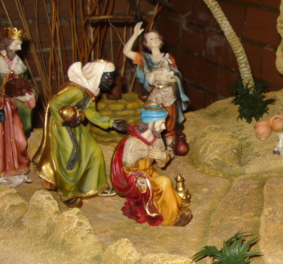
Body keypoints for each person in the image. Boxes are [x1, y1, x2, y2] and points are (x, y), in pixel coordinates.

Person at [33, 60, 128, 207]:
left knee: (94, 152)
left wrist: (112, 123)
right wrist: (66, 119)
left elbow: (91, 112)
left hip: (74, 125)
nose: (112, 81)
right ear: (97, 75)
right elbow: (54, 104)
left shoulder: (90, 91)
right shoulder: (76, 91)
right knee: (70, 157)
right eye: (108, 77)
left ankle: (95, 187)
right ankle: (67, 193)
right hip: (61, 126)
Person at [111, 103, 192, 227]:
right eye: (161, 123)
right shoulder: (133, 143)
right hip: (137, 178)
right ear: (150, 123)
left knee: (165, 183)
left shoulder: (157, 139)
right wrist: (140, 179)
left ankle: (175, 210)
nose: (164, 127)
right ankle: (170, 219)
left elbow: (164, 158)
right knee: (164, 182)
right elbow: (127, 169)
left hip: (149, 172)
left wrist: (161, 156)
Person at [0, 27, 38, 187]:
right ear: (7, 43)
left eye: (20, 44)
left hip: (11, 105)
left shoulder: (17, 62)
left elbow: (26, 83)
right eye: (16, 44)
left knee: (18, 138)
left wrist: (28, 94)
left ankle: (16, 171)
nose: (19, 48)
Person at [124, 21, 190, 155]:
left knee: (170, 120)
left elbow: (176, 75)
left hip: (168, 92)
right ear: (146, 44)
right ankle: (152, 145)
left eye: (156, 38)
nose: (154, 40)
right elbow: (126, 51)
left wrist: (170, 78)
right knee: (152, 119)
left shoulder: (169, 58)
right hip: (155, 93)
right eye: (150, 39)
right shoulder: (144, 58)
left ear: (160, 41)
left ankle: (169, 149)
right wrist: (135, 35)